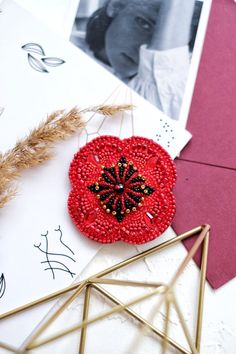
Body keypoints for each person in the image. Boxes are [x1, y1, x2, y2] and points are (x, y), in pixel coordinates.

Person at [85, 0, 201, 120]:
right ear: (116, 5)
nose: (144, 50)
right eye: (144, 24)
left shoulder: (161, 100)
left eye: (167, 45)